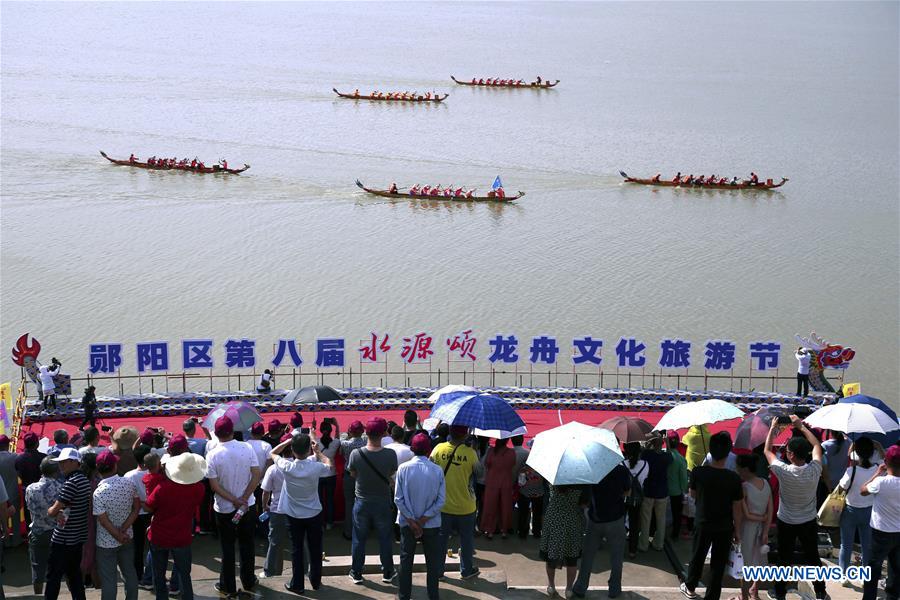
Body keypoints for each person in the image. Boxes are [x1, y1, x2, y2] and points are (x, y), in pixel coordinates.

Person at [764, 414, 827, 600]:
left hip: (786, 521)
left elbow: (767, 450)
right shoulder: (815, 469)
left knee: (784, 559)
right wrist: (802, 426)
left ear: (790, 455)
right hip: (808, 521)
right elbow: (817, 445)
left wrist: (773, 429)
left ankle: (780, 592)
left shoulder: (783, 471)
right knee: (813, 557)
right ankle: (820, 591)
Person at [680, 432, 743, 600]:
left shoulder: (698, 472)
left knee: (697, 557)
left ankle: (691, 587)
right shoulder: (734, 478)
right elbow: (737, 507)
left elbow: (692, 495)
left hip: (702, 523)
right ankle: (712, 596)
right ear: (728, 451)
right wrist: (738, 531)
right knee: (718, 564)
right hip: (724, 526)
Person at [270, 433, 333, 594]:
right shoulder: (315, 466)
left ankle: (297, 584)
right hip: (313, 514)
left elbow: (273, 453)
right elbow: (329, 465)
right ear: (309, 450)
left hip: (293, 516)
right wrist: (318, 452)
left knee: (296, 549)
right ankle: (315, 581)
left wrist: (290, 440)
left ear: (292, 450)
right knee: (315, 548)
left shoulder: (287, 466)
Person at [206, 416, 262, 596]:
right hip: (247, 506)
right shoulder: (246, 447)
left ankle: (227, 585)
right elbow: (256, 475)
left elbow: (214, 486)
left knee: (227, 548)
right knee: (247, 545)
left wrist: (234, 500)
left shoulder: (213, 454)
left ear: (216, 433)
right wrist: (243, 498)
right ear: (232, 431)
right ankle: (248, 580)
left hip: (224, 509)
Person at [145, 452, 206, 600]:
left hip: (160, 535)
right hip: (182, 536)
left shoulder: (162, 488)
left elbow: (149, 507)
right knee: (184, 574)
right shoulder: (198, 489)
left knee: (159, 575)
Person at [347, 417, 398, 584]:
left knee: (359, 539)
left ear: (366, 432)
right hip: (383, 501)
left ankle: (356, 572)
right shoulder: (390, 454)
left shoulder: (356, 454)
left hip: (361, 501)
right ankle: (388, 572)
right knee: (385, 538)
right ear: (384, 433)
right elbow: (390, 473)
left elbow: (353, 474)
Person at [395, 433, 445, 600]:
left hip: (407, 524)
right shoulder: (437, 470)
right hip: (430, 524)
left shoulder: (403, 468)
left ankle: (404, 596)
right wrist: (423, 519)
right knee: (432, 563)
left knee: (406, 561)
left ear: (412, 449)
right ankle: (433, 596)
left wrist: (412, 520)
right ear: (428, 450)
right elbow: (440, 501)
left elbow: (398, 499)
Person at [573, 457, 631, 599]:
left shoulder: (593, 471)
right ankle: (614, 589)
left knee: (588, 556)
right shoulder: (622, 470)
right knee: (617, 557)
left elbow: (585, 497)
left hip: (595, 519)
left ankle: (580, 587)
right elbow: (627, 492)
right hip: (616, 519)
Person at [431, 424, 481, 580]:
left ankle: (438, 571)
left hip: (443, 505)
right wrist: (473, 451)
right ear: (465, 435)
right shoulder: (471, 453)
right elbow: (479, 474)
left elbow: (430, 468)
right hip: (466, 507)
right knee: (466, 541)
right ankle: (466, 570)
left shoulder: (438, 448)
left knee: (441, 541)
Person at [92, 450, 140, 600]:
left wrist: (117, 535)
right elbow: (136, 508)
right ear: (114, 466)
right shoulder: (129, 483)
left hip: (106, 543)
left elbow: (103, 521)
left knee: (109, 581)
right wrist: (123, 531)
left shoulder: (99, 493)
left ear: (98, 469)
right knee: (130, 574)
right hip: (127, 537)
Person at [45, 448, 91, 600]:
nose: (61, 466)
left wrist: (52, 510)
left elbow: (52, 512)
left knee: (53, 577)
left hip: (63, 539)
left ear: (74, 462)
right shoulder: (84, 480)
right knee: (74, 576)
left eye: (64, 462)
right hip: (77, 538)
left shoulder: (71, 483)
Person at [861, 445, 900, 600]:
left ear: (886, 462)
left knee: (873, 569)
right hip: (899, 533)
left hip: (880, 533)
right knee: (896, 570)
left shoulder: (881, 482)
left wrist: (877, 473)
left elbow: (863, 490)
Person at [838, 436, 878, 586]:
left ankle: (843, 575)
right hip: (869, 511)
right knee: (866, 546)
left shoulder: (851, 470)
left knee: (845, 544)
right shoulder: (877, 469)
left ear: (857, 453)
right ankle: (864, 576)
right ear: (872, 452)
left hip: (850, 511)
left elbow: (841, 488)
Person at [541, 484, 588, 598]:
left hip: (554, 519)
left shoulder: (553, 480)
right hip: (573, 521)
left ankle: (551, 586)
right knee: (572, 559)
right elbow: (584, 504)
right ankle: (569, 589)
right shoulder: (581, 483)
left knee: (551, 555)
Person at [736, 453, 772, 600]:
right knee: (759, 561)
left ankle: (744, 596)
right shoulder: (765, 483)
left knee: (745, 564)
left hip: (747, 529)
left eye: (738, 468)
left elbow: (746, 514)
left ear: (745, 469)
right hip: (762, 529)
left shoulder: (743, 487)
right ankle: (754, 591)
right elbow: (771, 509)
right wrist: (766, 530)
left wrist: (760, 518)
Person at [25, 458, 62, 595]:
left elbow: (30, 509)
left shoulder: (30, 488)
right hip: (57, 532)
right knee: (59, 569)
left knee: (37, 569)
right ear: (56, 471)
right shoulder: (61, 487)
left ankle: (38, 597)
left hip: (38, 532)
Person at [259, 434, 291, 578]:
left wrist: (265, 506)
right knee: (300, 542)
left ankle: (271, 571)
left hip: (277, 510)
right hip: (295, 510)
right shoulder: (299, 466)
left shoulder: (273, 469)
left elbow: (266, 492)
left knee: (275, 542)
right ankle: (304, 571)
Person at [123, 444, 153, 583]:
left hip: (136, 515)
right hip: (151, 512)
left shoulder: (129, 476)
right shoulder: (153, 474)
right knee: (154, 546)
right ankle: (151, 574)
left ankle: (139, 575)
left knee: (138, 547)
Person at [639, 434, 673, 551]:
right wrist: (667, 442)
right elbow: (671, 456)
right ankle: (658, 544)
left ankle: (643, 544)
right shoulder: (666, 457)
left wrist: (649, 442)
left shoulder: (647, 455)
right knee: (661, 519)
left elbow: (642, 452)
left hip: (649, 491)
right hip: (662, 491)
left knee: (645, 519)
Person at [481, 437, 516, 539]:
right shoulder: (511, 453)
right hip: (506, 482)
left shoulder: (491, 451)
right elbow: (513, 464)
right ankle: (504, 530)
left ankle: (489, 530)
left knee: (490, 506)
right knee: (505, 507)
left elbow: (486, 464)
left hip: (492, 481)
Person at [339, 420, 366, 540]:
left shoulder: (345, 444)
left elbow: (340, 453)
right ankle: (362, 531)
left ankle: (348, 532)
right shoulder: (366, 442)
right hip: (362, 476)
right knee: (363, 503)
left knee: (349, 504)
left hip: (349, 475)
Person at [313, 419, 340, 529]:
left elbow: (312, 437)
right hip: (331, 474)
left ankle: (320, 523)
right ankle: (329, 522)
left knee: (318, 500)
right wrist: (337, 426)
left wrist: (313, 427)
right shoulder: (335, 442)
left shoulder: (316, 442)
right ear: (330, 430)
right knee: (329, 500)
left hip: (318, 475)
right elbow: (338, 438)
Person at [623, 441, 647, 558]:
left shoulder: (622, 464)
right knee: (634, 524)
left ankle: (618, 546)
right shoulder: (645, 464)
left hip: (623, 497)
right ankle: (632, 550)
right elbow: (644, 481)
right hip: (637, 498)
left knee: (621, 522)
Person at [666, 432, 689, 539]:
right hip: (676, 492)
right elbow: (684, 479)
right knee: (677, 514)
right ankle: (675, 534)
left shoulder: (664, 456)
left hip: (664, 490)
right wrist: (684, 490)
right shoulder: (681, 459)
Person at [0, 435, 21, 547]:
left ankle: (4, 541)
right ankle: (16, 540)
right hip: (12, 492)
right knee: (15, 518)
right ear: (8, 445)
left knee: (2, 518)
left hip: (0, 496)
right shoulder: (15, 457)